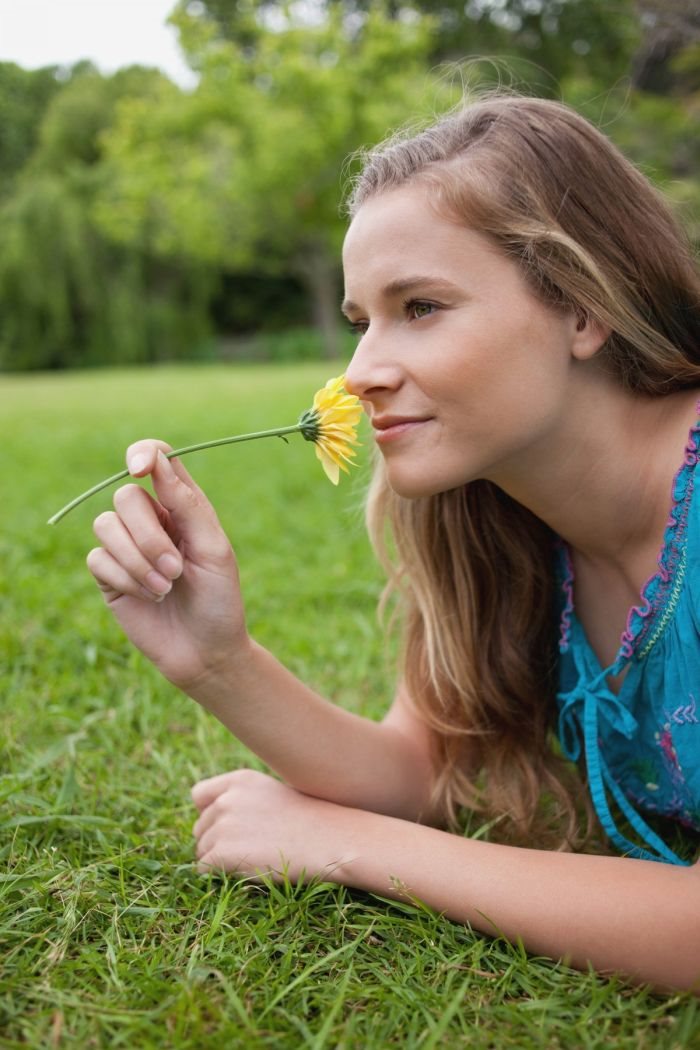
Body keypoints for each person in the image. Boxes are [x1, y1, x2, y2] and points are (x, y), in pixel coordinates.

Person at [86, 94, 700, 992]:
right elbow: (420, 766)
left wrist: (354, 847)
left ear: (581, 310)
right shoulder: (501, 518)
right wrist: (218, 661)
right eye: (360, 320)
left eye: (419, 306)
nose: (360, 373)